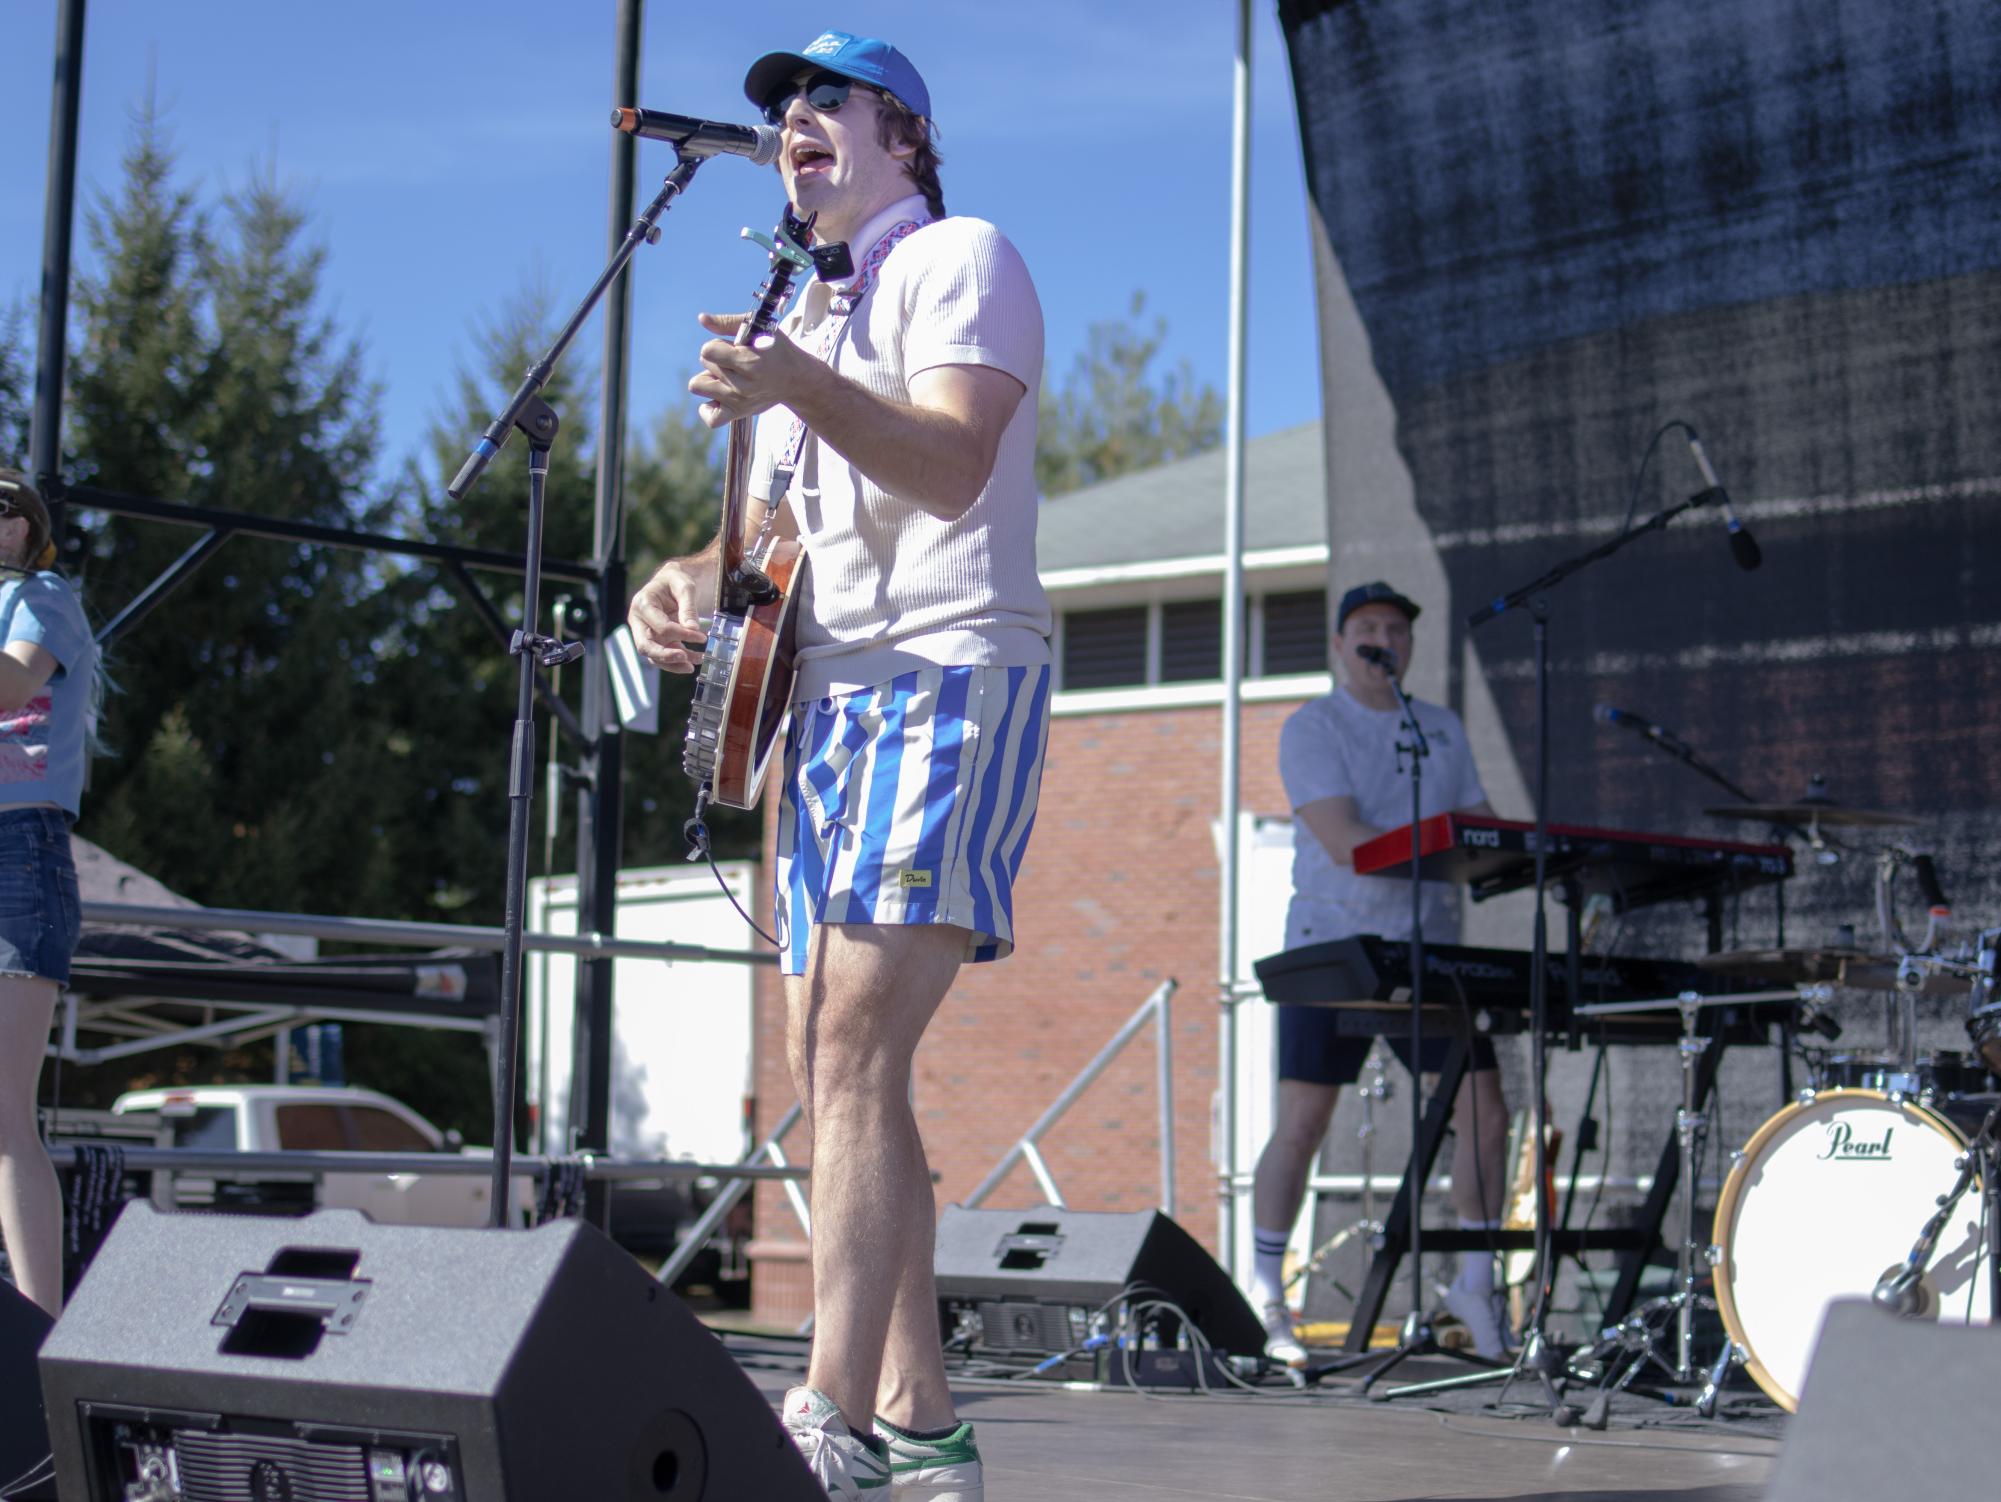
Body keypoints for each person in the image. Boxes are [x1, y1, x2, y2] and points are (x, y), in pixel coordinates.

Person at [627, 31, 1046, 1502]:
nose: (792, 122)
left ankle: (832, 1420)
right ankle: (925, 1419)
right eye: (779, 110)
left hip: (949, 672)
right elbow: (764, 557)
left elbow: (947, 468)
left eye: (825, 102)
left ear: (906, 137)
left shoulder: (960, 258)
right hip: (826, 703)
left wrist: (795, 381)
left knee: (854, 1051)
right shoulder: (800, 305)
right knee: (833, 1066)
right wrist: (677, 584)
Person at [1252, 581, 1513, 1365]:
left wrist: (1519, 848)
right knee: (1303, 1123)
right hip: (1332, 947)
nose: (1382, 641)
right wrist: (1448, 847)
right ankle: (1268, 1293)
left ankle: (1474, 1279)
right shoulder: (1312, 726)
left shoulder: (1438, 727)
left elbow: (1480, 824)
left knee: (1486, 1110)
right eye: (1366, 628)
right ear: (1339, 645)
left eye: (1395, 630)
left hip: (1428, 947)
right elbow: (1342, 840)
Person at [0, 469, 93, 1320]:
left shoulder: (43, 595)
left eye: (2, 509)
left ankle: (38, 1333)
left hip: (18, 849)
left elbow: (11, 685)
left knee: (4, 1115)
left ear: (27, 528)